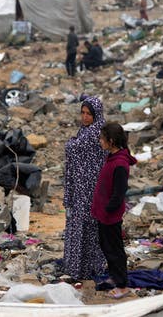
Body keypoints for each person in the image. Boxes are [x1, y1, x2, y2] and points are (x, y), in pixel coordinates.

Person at [63, 96, 108, 281]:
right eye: (82, 113)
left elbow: (73, 148)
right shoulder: (85, 130)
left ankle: (85, 268)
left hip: (90, 189)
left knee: (87, 227)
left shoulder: (96, 131)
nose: (85, 117)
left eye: (89, 113)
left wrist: (70, 143)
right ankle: (78, 266)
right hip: (81, 187)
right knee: (81, 224)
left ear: (96, 115)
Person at [91, 122, 137, 299]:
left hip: (110, 215)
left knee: (115, 249)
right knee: (106, 246)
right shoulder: (112, 157)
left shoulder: (120, 164)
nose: (99, 141)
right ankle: (114, 277)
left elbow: (119, 193)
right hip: (104, 214)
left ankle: (122, 285)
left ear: (111, 141)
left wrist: (108, 209)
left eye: (102, 138)